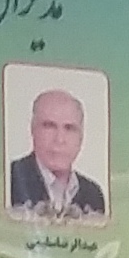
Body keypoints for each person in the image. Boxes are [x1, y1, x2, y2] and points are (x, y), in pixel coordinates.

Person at [9, 84, 106, 218]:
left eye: (69, 128)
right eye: (49, 126)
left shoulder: (93, 195)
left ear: (81, 136)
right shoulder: (11, 179)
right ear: (33, 129)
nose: (59, 139)